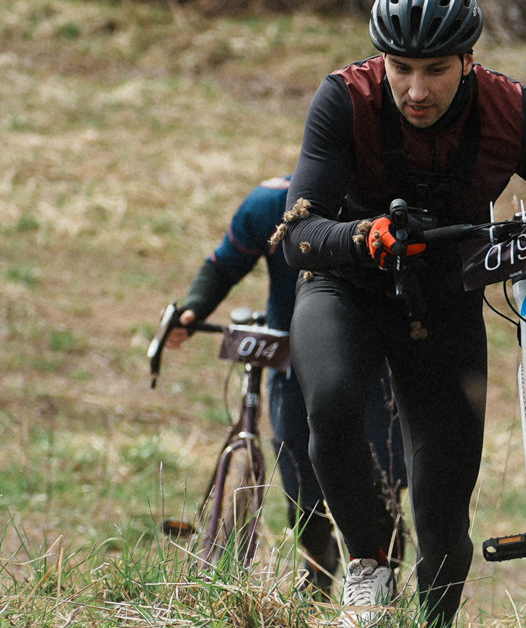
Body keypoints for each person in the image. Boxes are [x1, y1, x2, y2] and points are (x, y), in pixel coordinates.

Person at [279, 0, 526, 628]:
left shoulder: (507, 108)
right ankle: (368, 562)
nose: (417, 90)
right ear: (382, 62)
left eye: (436, 70)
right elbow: (298, 236)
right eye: (401, 69)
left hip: (447, 299)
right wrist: (361, 233)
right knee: (333, 400)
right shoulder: (346, 98)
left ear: (468, 62)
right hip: (349, 285)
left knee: (443, 509)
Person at [165, 173, 407, 594]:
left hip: (376, 364)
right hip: (293, 363)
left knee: (382, 490)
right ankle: (319, 570)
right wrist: (193, 309)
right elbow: (224, 264)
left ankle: (380, 594)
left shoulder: (383, 199)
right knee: (302, 491)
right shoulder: (266, 205)